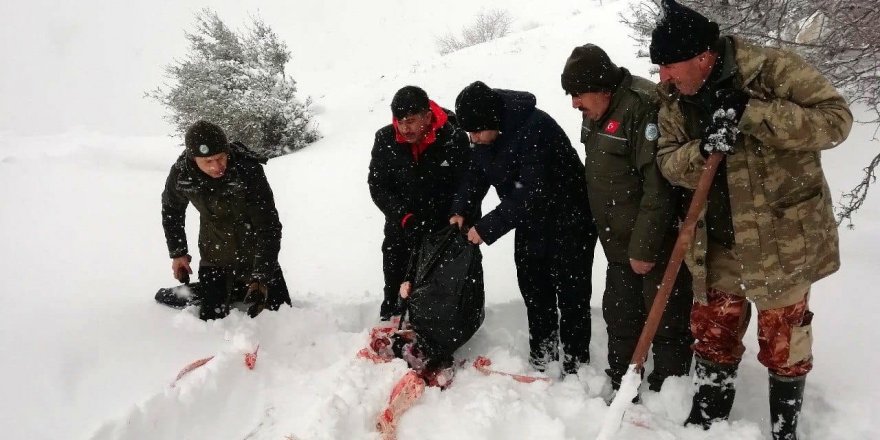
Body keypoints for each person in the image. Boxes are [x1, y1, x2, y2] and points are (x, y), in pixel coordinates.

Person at [649, 1, 853, 438]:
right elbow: (667, 160)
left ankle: (785, 429)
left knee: (785, 343)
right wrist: (702, 150)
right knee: (712, 335)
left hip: (782, 243)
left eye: (668, 65)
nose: (662, 77)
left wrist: (754, 114)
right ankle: (707, 422)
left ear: (703, 57)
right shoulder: (674, 100)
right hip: (716, 244)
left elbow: (836, 122)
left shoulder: (773, 71)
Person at [561, 43, 693, 394]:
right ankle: (622, 383)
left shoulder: (642, 106)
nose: (574, 103)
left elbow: (658, 186)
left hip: (653, 242)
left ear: (601, 87)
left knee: (665, 321)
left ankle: (668, 392)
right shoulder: (596, 112)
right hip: (617, 242)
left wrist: (645, 248)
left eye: (578, 93)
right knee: (620, 316)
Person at [450, 81, 598, 375]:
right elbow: (475, 174)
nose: (473, 138)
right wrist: (461, 210)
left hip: (571, 220)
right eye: (470, 132)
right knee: (535, 291)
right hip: (530, 223)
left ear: (492, 121)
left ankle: (576, 365)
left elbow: (533, 191)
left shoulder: (535, 128)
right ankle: (543, 357)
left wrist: (485, 228)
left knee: (572, 297)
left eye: (476, 131)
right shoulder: (484, 138)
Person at [161, 120, 292, 321]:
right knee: (212, 318)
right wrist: (178, 253)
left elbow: (268, 226)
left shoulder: (248, 170)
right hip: (215, 255)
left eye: (221, 157)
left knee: (282, 314)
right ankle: (221, 289)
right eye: (208, 161)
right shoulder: (181, 174)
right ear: (193, 158)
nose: (217, 166)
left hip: (256, 254)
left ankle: (241, 286)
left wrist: (261, 276)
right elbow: (172, 211)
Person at [368, 86, 476, 320]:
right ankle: (393, 324)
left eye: (410, 121)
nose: (404, 128)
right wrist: (403, 217)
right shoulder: (385, 139)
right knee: (397, 283)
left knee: (440, 291)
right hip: (402, 226)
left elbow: (467, 184)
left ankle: (436, 335)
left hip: (442, 228)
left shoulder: (453, 138)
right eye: (400, 121)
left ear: (427, 116)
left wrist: (458, 219)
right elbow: (378, 186)